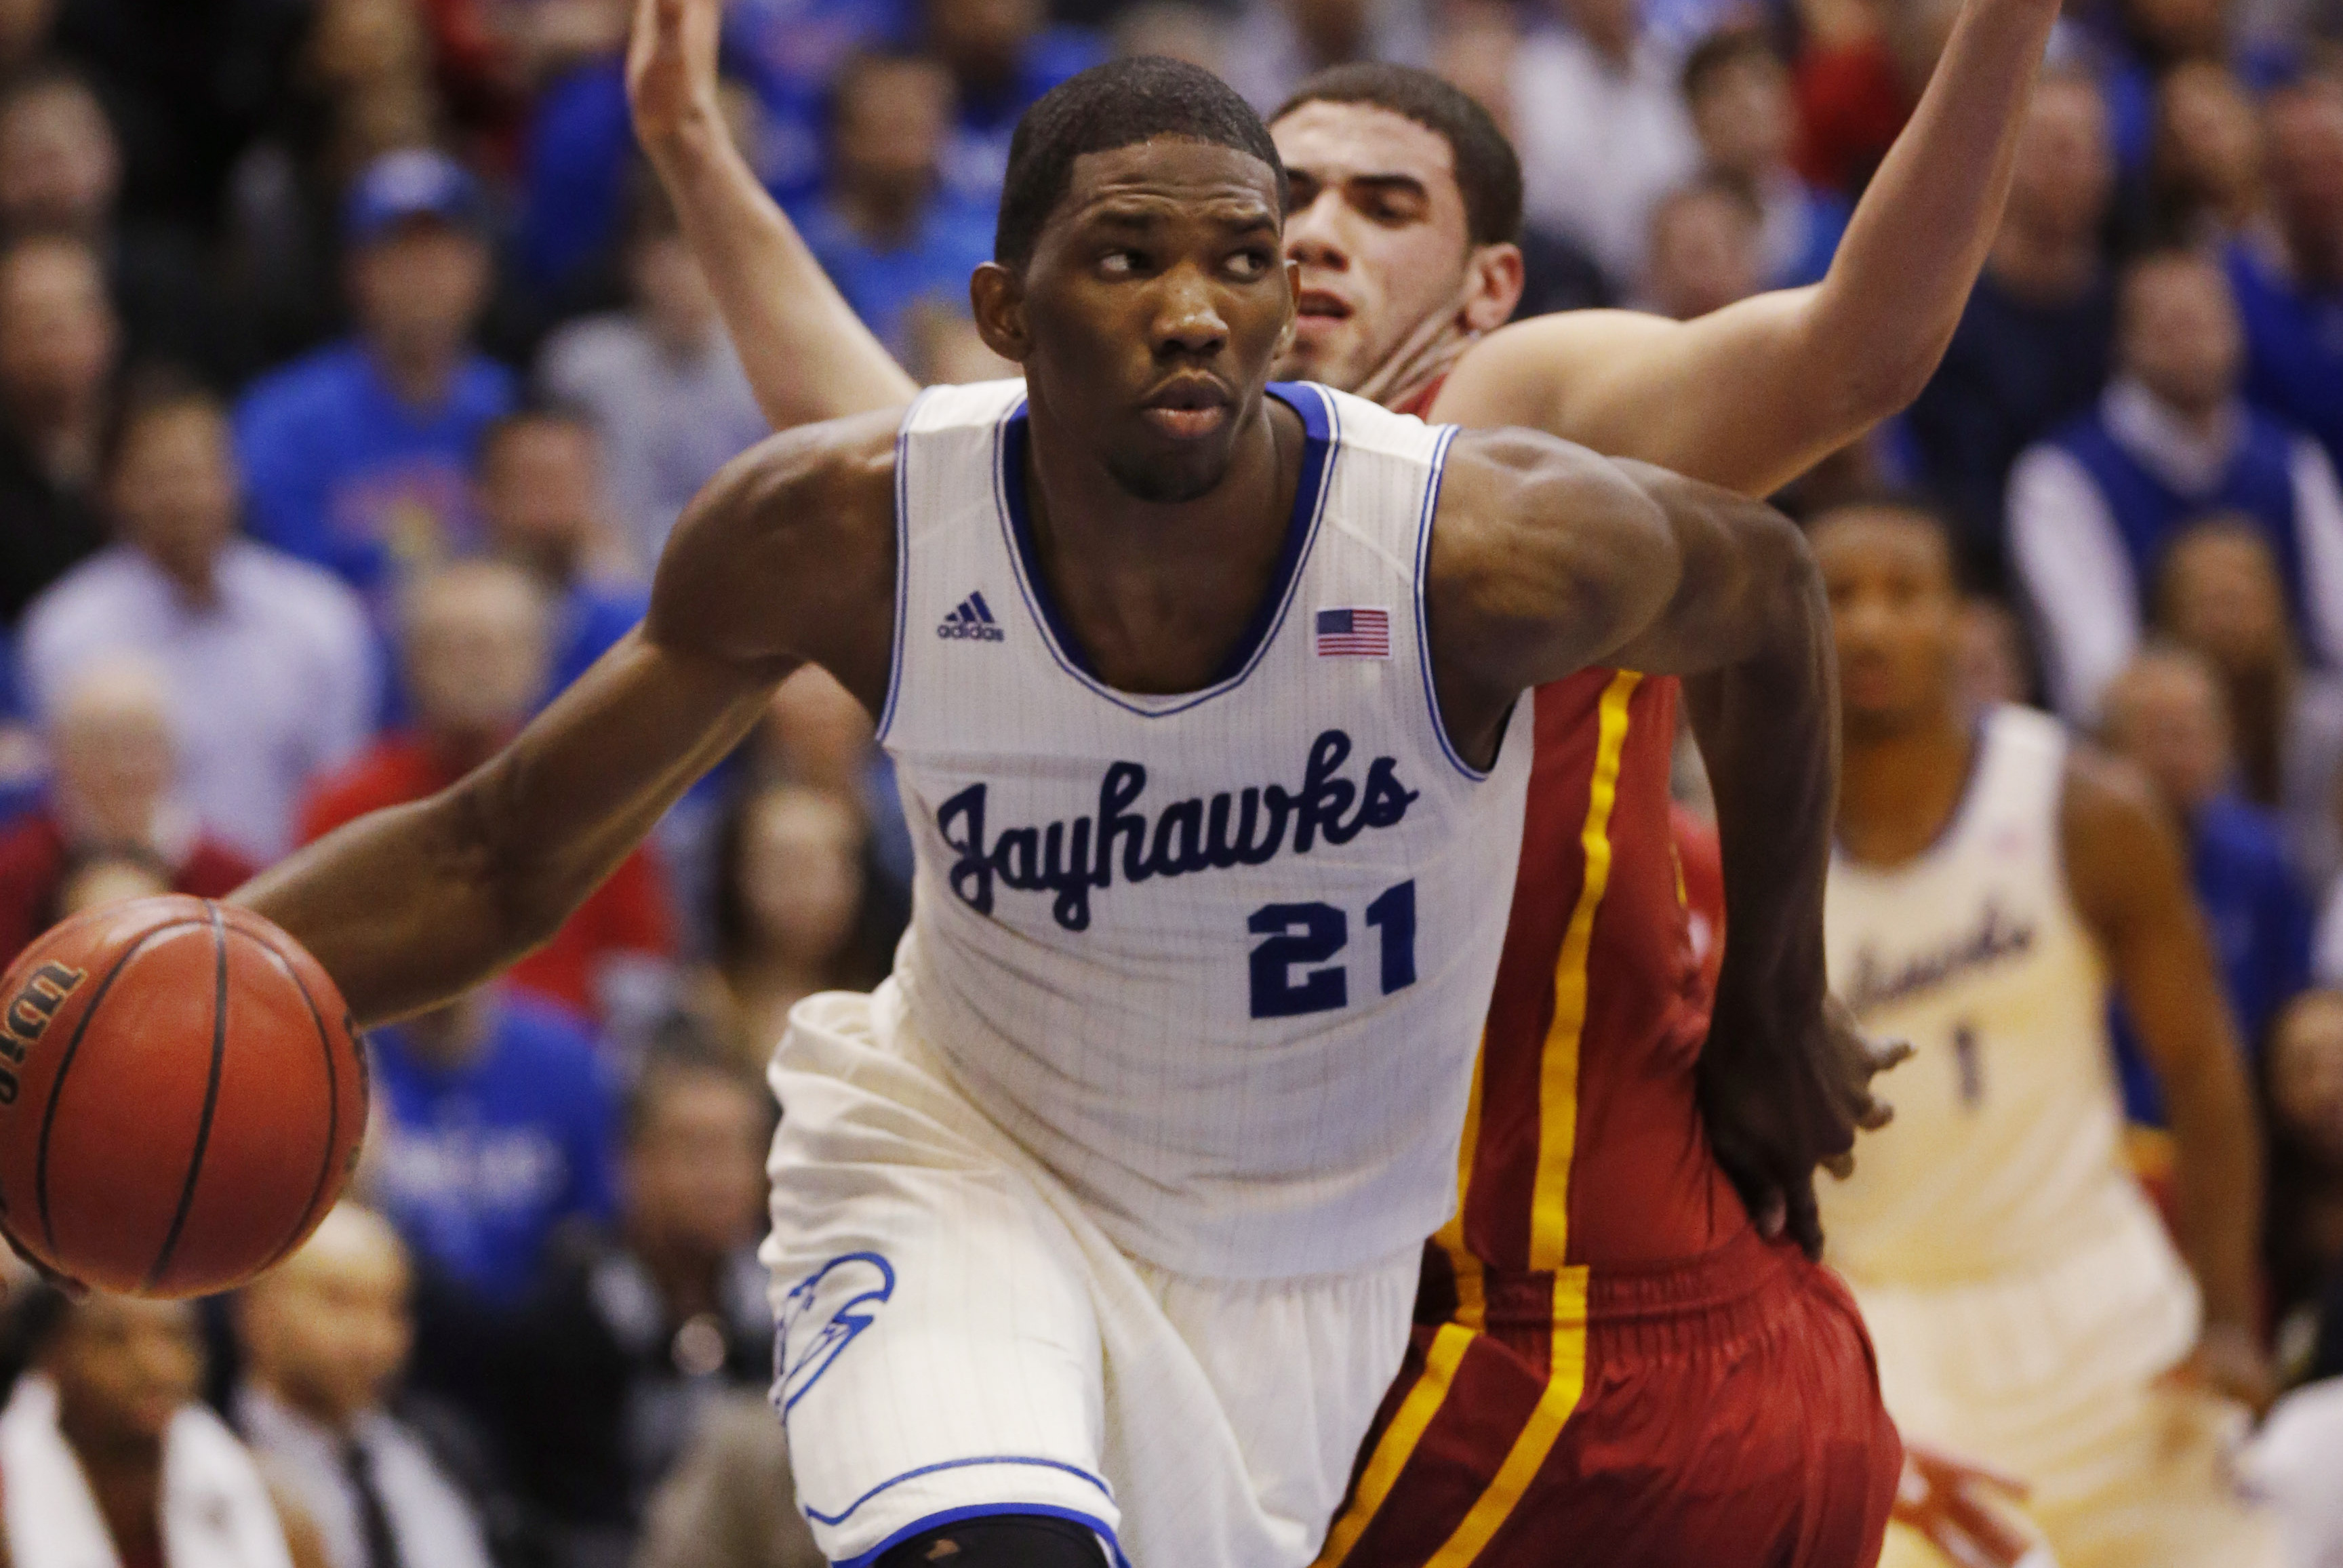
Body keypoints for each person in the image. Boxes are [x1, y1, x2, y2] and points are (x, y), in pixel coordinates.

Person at [230, 54, 1856, 1568]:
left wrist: (1774, 1004)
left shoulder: (1463, 549)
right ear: (1005, 310)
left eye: (1238, 263)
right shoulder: (852, 530)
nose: (1192, 311)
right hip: (967, 1164)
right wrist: (188, 962)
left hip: (1300, 1276)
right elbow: (493, 853)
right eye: (1127, 259)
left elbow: (1773, 597)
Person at [625, 0, 2064, 1552]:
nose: (1317, 233)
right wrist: (695, 150)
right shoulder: (1132, 500)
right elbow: (878, 460)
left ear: (1485, 288)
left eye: (1383, 206)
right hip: (1409, 1351)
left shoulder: (1502, 433)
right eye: (1286, 196)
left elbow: (1855, 350)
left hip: (1558, 1349)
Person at [1814, 498, 2281, 1568]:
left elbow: (2204, 1069)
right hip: (1883, 1337)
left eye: (1904, 592)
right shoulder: (1741, 849)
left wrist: (2227, 1316)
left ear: (1962, 619)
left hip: (2098, 1304)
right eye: (1840, 596)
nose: (1872, 624)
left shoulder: (2087, 809)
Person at [299, 561, 676, 1029]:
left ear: (538, 661)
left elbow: (638, 962)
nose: (471, 667)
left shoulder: (596, 797)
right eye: (448, 647)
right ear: (412, 663)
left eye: (490, 646)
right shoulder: (348, 801)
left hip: (566, 1048)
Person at [20, 382, 378, 863]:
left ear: (237, 478)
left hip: (295, 891)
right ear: (112, 490)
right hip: (131, 888)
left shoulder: (318, 614)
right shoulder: (67, 631)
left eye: (201, 471)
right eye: (160, 477)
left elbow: (343, 791)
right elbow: (68, 810)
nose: (185, 497)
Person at [2009, 249, 2343, 719]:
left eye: (2205, 321)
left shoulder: (2294, 461)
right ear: (2122, 342)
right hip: (2141, 737)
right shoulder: (2060, 478)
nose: (2191, 343)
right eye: (2168, 326)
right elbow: (2096, 679)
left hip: (2281, 734)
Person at [494, 1048, 774, 1568]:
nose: (721, 1177)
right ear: (631, 1164)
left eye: (741, 1149)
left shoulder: (792, 1311)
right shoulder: (566, 1321)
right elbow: (560, 1520)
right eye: (695, 1149)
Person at [233, 148, 517, 610]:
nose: (421, 279)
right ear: (355, 274)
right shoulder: (282, 422)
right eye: (399, 256)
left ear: (481, 270)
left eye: (439, 255)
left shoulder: (512, 408)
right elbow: (281, 594)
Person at [1901, 71, 2121, 577]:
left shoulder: (2130, 305)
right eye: (2051, 148)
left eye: (2086, 148)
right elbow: (1952, 492)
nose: (2069, 169)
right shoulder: (1949, 318)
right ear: (2004, 158)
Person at [2098, 643, 2312, 1123]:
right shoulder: (2085, 875)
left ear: (2224, 742)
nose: (2177, 756)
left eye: (2192, 734)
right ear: (2112, 751)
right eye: (2158, 736)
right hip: (2120, 1126)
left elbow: (2295, 1011)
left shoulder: (2263, 857)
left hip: (2254, 1120)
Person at [235, 1203, 497, 1568]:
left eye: (393, 1308)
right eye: (340, 1302)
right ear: (256, 1309)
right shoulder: (212, 1466)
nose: (373, 1337)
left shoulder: (445, 1449)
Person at [536, 182, 767, 571]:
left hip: (742, 566)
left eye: (697, 256)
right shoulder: (580, 362)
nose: (682, 278)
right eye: (664, 258)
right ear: (633, 264)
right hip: (607, 564)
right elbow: (555, 485)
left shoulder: (766, 363)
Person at [0, 1289, 313, 1568]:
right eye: (114, 1339)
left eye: (175, 1337)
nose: (154, 1365)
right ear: (50, 1356)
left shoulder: (274, 1505)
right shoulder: (7, 1502)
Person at [364, 986, 622, 1311]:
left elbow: (594, 1221)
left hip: (538, 1320)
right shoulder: (357, 1061)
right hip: (396, 1313)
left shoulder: (567, 1063)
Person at [0, 658, 252, 957]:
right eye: (103, 747)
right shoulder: (15, 875)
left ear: (174, 755)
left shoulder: (230, 876)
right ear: (64, 757)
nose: (125, 768)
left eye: (142, 746)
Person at [2156, 513, 2343, 889]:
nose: (2228, 621)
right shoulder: (2154, 727)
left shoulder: (2328, 723)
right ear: (2172, 614)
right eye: (2210, 603)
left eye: (2240, 600)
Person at [799, 49, 997, 365]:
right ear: (846, 135)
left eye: (919, 126)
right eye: (891, 127)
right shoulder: (805, 251)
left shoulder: (982, 246)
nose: (908, 149)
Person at [1507, 0, 1702, 292]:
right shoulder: (1533, 72)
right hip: (1567, 275)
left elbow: (1686, 171)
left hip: (1659, 278)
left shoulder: (1667, 62)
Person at [700, 782, 889, 1067]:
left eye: (821, 868)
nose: (803, 890)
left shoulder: (889, 1017)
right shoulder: (702, 1011)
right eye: (783, 867)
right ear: (736, 875)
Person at [474, 405, 649, 698]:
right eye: (530, 485)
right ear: (486, 493)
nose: (546, 510)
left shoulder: (631, 625)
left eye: (563, 483)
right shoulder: (448, 627)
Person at [2228, 79, 2343, 480]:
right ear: (2267, 176)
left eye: (2332, 164)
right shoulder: (2228, 288)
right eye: (2298, 168)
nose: (2319, 186)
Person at [1681, 26, 1851, 289]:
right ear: (1695, 120)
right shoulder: (1681, 233)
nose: (1746, 103)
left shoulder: (1833, 218)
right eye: (1721, 89)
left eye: (1760, 81)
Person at [0, 235, 112, 627]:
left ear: (107, 327)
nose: (53, 342)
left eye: (69, 318)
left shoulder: (144, 439)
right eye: (33, 323)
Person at [1638, 176, 1763, 321]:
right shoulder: (1629, 331)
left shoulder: (1777, 328)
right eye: (1693, 258)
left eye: (1709, 256)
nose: (1700, 278)